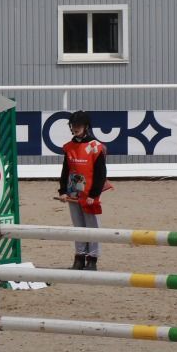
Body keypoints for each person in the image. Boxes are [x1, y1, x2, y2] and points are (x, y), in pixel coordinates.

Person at [55, 111, 107, 270]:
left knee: (93, 227)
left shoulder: (96, 147)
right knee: (78, 226)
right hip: (73, 194)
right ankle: (79, 257)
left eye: (79, 125)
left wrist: (94, 194)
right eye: (73, 125)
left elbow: (101, 174)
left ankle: (92, 259)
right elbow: (65, 171)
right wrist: (62, 191)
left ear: (86, 127)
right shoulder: (69, 147)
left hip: (89, 195)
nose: (75, 128)